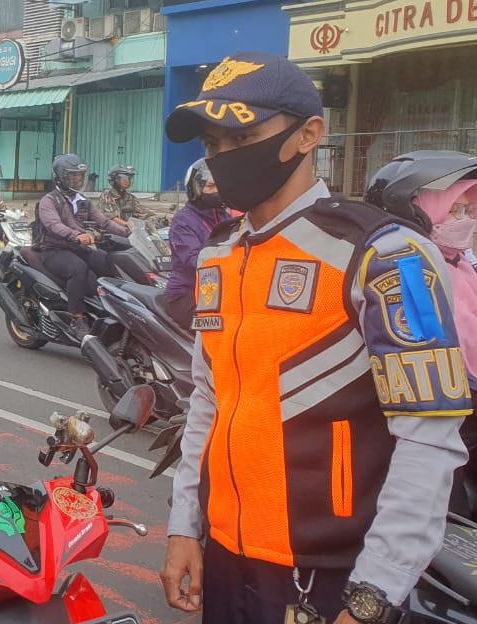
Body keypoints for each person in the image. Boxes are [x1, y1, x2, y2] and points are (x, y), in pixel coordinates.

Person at [159, 52, 470, 624]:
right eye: (211, 144)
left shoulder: (386, 255)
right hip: (226, 559)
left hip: (329, 579)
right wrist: (185, 526)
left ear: (308, 134)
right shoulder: (217, 256)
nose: (223, 157)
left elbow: (429, 441)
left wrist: (373, 594)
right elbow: (207, 401)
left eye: (242, 135)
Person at [364, 150, 477, 517]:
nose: (464, 220)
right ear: (414, 207)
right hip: (437, 422)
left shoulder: (461, 264)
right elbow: (426, 351)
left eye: (468, 211)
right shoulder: (407, 268)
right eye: (453, 210)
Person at [28, 154, 127, 339]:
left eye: (80, 176)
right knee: (78, 269)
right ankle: (77, 319)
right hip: (52, 249)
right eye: (72, 176)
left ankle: (112, 308)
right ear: (59, 177)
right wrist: (77, 235)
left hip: (77, 248)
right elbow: (53, 225)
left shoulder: (83, 200)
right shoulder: (49, 201)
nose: (77, 179)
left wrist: (127, 233)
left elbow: (104, 222)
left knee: (108, 261)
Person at [161, 159, 232, 328]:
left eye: (218, 186)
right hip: (186, 294)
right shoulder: (183, 221)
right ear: (196, 189)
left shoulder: (223, 216)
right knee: (222, 329)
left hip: (216, 290)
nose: (216, 191)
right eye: (210, 187)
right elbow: (195, 260)